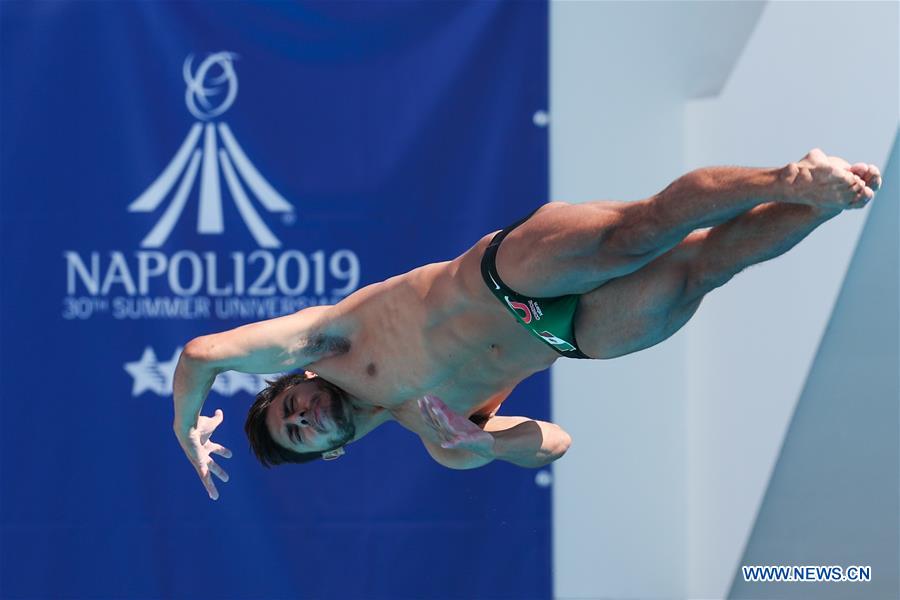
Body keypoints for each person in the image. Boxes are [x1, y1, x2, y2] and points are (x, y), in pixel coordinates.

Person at [172, 149, 882, 500]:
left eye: (288, 406)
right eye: (300, 432)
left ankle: (786, 179)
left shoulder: (330, 343)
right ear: (330, 452)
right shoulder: (438, 440)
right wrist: (487, 440)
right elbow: (556, 444)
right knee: (704, 269)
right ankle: (822, 204)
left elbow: (203, 352)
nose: (303, 415)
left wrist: (185, 427)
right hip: (559, 336)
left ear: (294, 381)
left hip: (501, 279)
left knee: (635, 234)